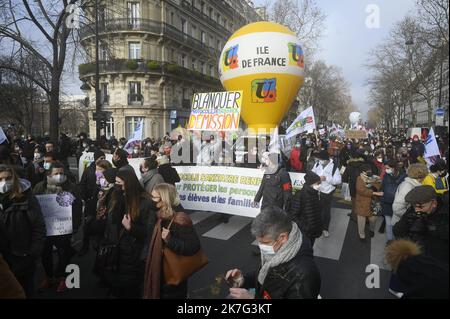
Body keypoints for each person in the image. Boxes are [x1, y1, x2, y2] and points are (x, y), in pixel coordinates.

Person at [225, 206, 321, 299]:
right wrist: (243, 280)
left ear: (282, 238)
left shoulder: (304, 275)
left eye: (265, 242)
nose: (260, 246)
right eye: (259, 241)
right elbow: (266, 274)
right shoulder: (280, 249)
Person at [100, 169, 154, 298]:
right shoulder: (116, 195)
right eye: (116, 182)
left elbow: (149, 231)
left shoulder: (145, 201)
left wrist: (131, 228)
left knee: (130, 289)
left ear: (128, 183)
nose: (117, 185)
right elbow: (111, 224)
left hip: (132, 254)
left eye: (119, 183)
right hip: (115, 251)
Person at [143, 183, 200, 299]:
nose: (151, 200)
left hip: (171, 274)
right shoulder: (156, 214)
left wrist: (170, 240)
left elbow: (193, 246)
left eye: (154, 197)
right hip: (157, 270)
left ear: (164, 199)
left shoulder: (180, 219)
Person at [33, 161, 82, 293]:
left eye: (62, 173)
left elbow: (77, 209)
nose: (59, 176)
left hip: (64, 228)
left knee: (63, 253)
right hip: (46, 228)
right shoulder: (39, 187)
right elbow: (34, 207)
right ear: (49, 174)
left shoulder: (72, 187)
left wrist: (76, 225)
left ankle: (63, 278)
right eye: (56, 173)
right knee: (45, 254)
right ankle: (49, 278)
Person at [0, 164, 46, 298]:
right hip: (3, 259)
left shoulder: (26, 198)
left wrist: (32, 254)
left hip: (22, 256)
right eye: (0, 179)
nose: (3, 183)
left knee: (24, 291)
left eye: (7, 178)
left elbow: (38, 227)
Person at [393, 186, 448, 264]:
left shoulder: (445, 213)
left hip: (436, 264)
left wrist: (433, 229)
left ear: (434, 203)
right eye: (414, 206)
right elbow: (397, 231)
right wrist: (407, 222)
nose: (416, 210)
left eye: (420, 206)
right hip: (413, 259)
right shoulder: (414, 209)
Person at [311, 150, 341, 238]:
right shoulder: (317, 164)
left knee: (326, 212)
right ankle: (317, 226)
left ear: (326, 159)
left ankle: (325, 228)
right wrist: (314, 178)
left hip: (327, 193)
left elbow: (338, 181)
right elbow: (312, 173)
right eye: (319, 159)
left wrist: (326, 178)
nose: (319, 160)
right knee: (317, 210)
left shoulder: (334, 167)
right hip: (317, 191)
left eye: (321, 159)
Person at [289, 172, 322, 247]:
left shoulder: (315, 194)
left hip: (313, 231)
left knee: (310, 249)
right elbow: (293, 215)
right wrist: (306, 228)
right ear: (311, 183)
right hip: (304, 233)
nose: (319, 185)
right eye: (318, 183)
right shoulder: (300, 196)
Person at [354, 164, 383, 241]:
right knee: (361, 220)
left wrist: (375, 183)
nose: (369, 173)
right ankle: (361, 235)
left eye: (370, 171)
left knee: (373, 219)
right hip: (362, 203)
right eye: (367, 172)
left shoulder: (374, 178)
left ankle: (371, 229)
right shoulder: (359, 179)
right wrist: (374, 192)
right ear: (362, 172)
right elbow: (361, 191)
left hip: (373, 203)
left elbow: (379, 186)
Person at [380, 160, 406, 243]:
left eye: (388, 168)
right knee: (388, 223)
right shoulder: (386, 175)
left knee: (396, 224)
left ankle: (397, 240)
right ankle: (390, 240)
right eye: (385, 168)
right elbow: (383, 186)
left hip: (398, 203)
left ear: (393, 167)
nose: (386, 170)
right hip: (387, 203)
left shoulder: (403, 177)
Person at [342, 151, 365, 222]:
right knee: (362, 202)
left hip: (352, 186)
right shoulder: (364, 164)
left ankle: (355, 216)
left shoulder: (349, 165)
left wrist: (345, 181)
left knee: (354, 202)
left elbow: (345, 177)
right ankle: (363, 216)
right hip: (362, 185)